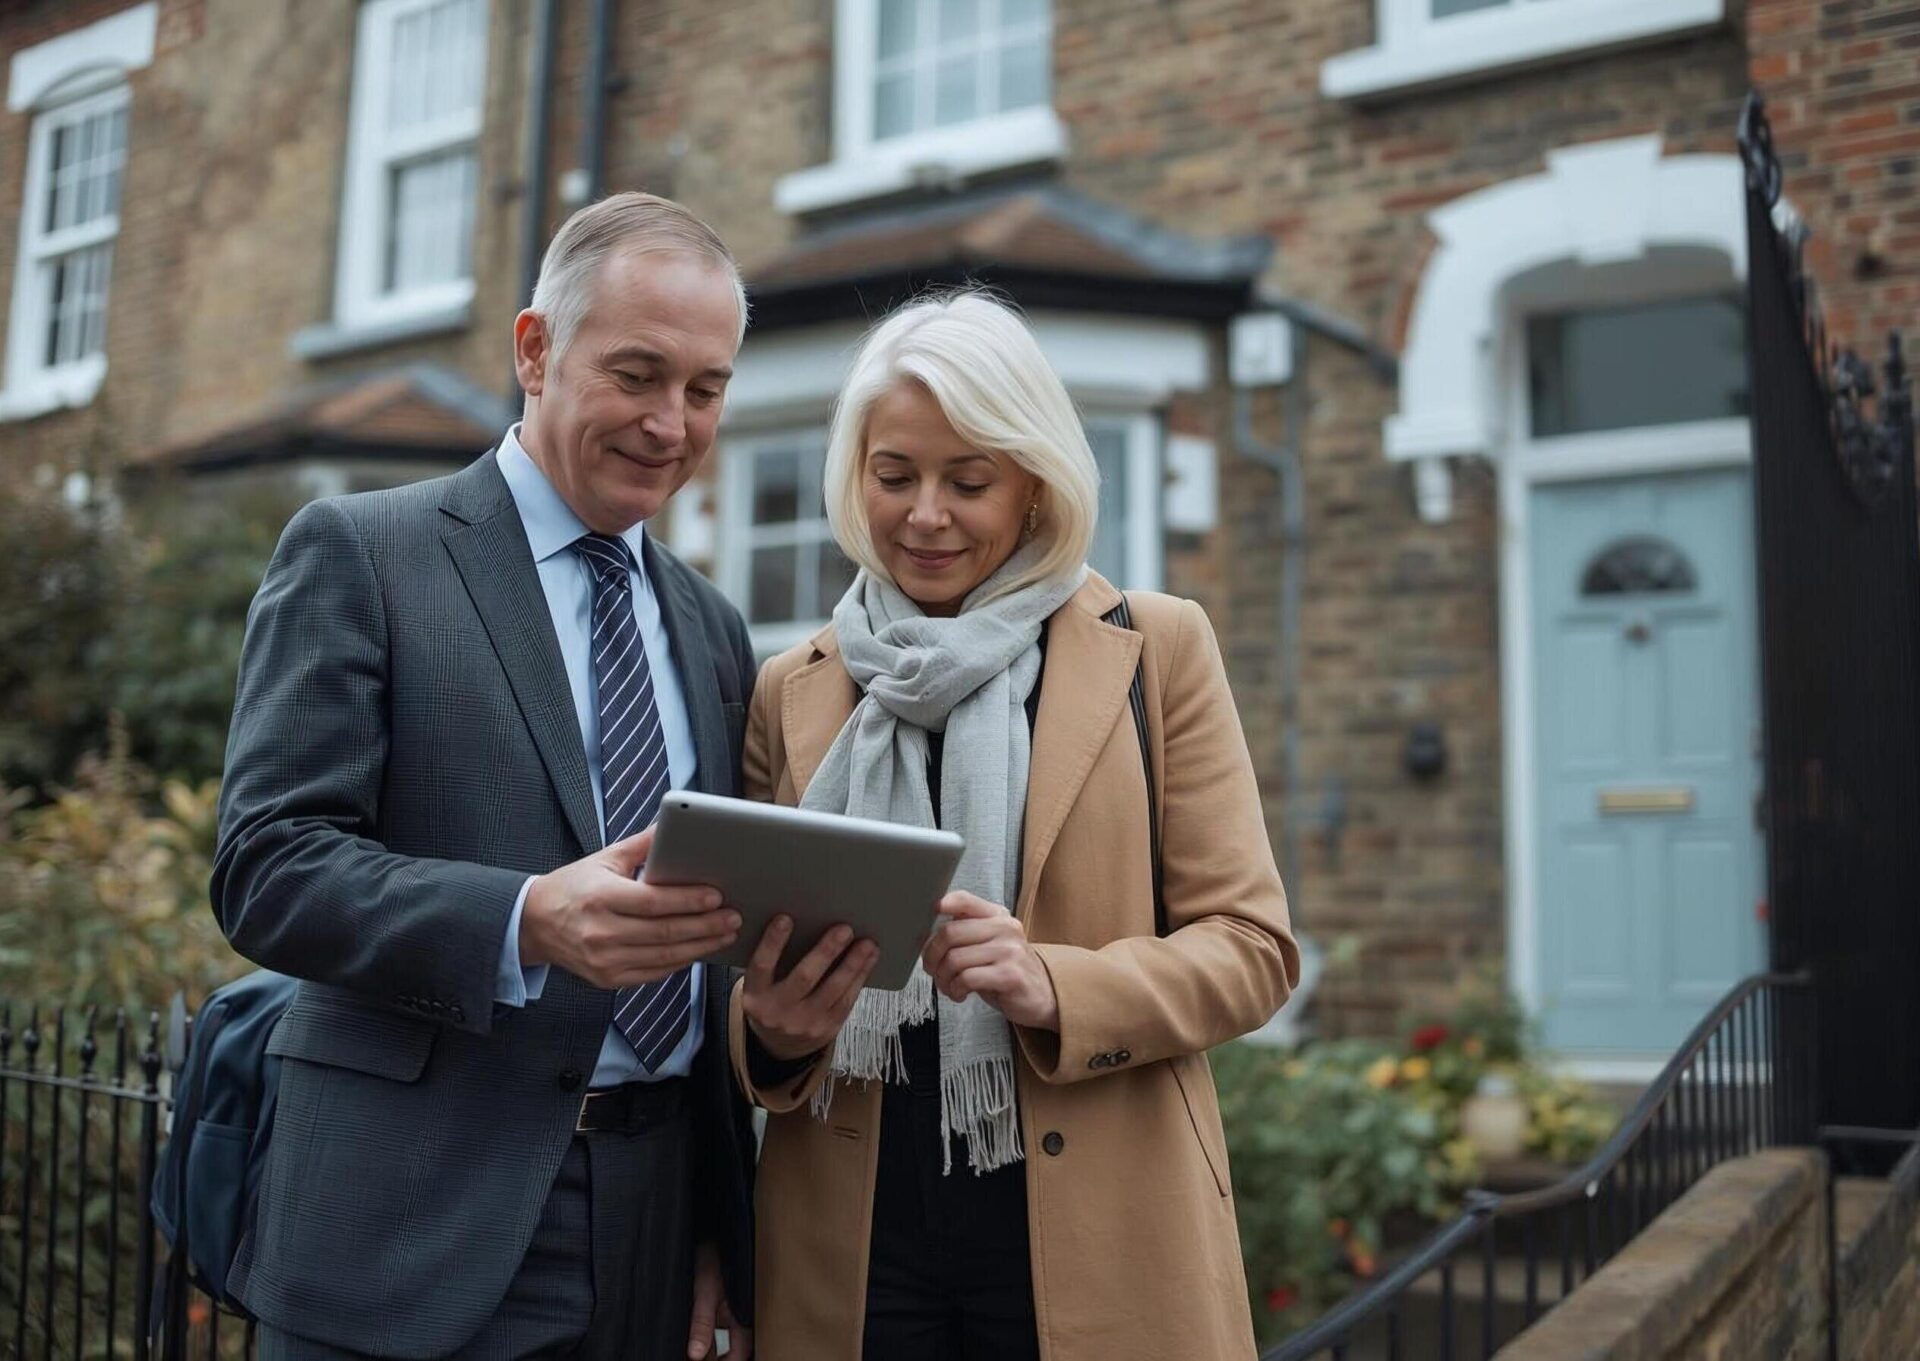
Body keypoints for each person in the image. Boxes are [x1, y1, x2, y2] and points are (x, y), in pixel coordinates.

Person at [213, 193, 762, 1360]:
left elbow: (709, 955)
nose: (670, 423)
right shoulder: (362, 552)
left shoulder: (713, 627)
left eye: (705, 389)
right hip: (409, 1223)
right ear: (535, 350)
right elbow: (267, 866)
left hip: (652, 1221)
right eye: (637, 374)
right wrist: (524, 919)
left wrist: (717, 1221)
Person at [726, 290, 1301, 1361]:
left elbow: (1253, 949)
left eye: (968, 480)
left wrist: (1052, 983)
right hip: (851, 1247)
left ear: (1034, 481)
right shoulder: (792, 686)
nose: (925, 514)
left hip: (1105, 1236)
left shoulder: (1157, 647)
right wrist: (774, 1029)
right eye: (894, 475)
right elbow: (743, 977)